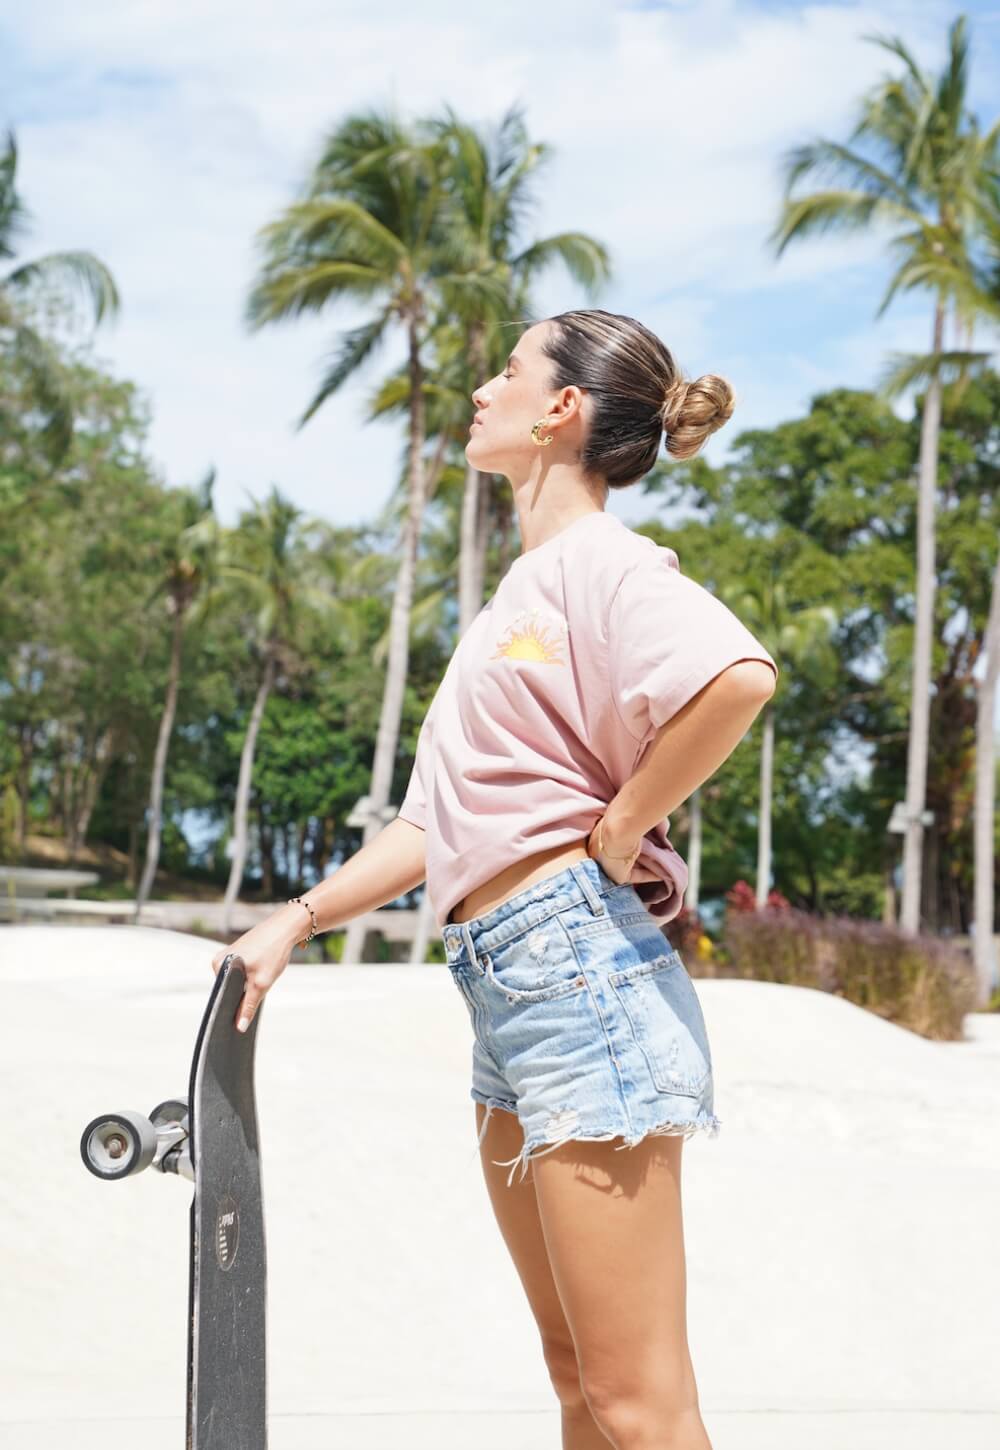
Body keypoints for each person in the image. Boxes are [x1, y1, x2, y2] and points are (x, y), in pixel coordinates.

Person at [212, 308, 777, 1450]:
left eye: (508, 369)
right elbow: (438, 822)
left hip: (576, 971)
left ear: (560, 410)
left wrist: (622, 825)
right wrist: (298, 918)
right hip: (508, 986)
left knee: (638, 1402)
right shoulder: (517, 598)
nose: (482, 387)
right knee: (578, 1381)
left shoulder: (600, 564)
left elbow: (738, 676)